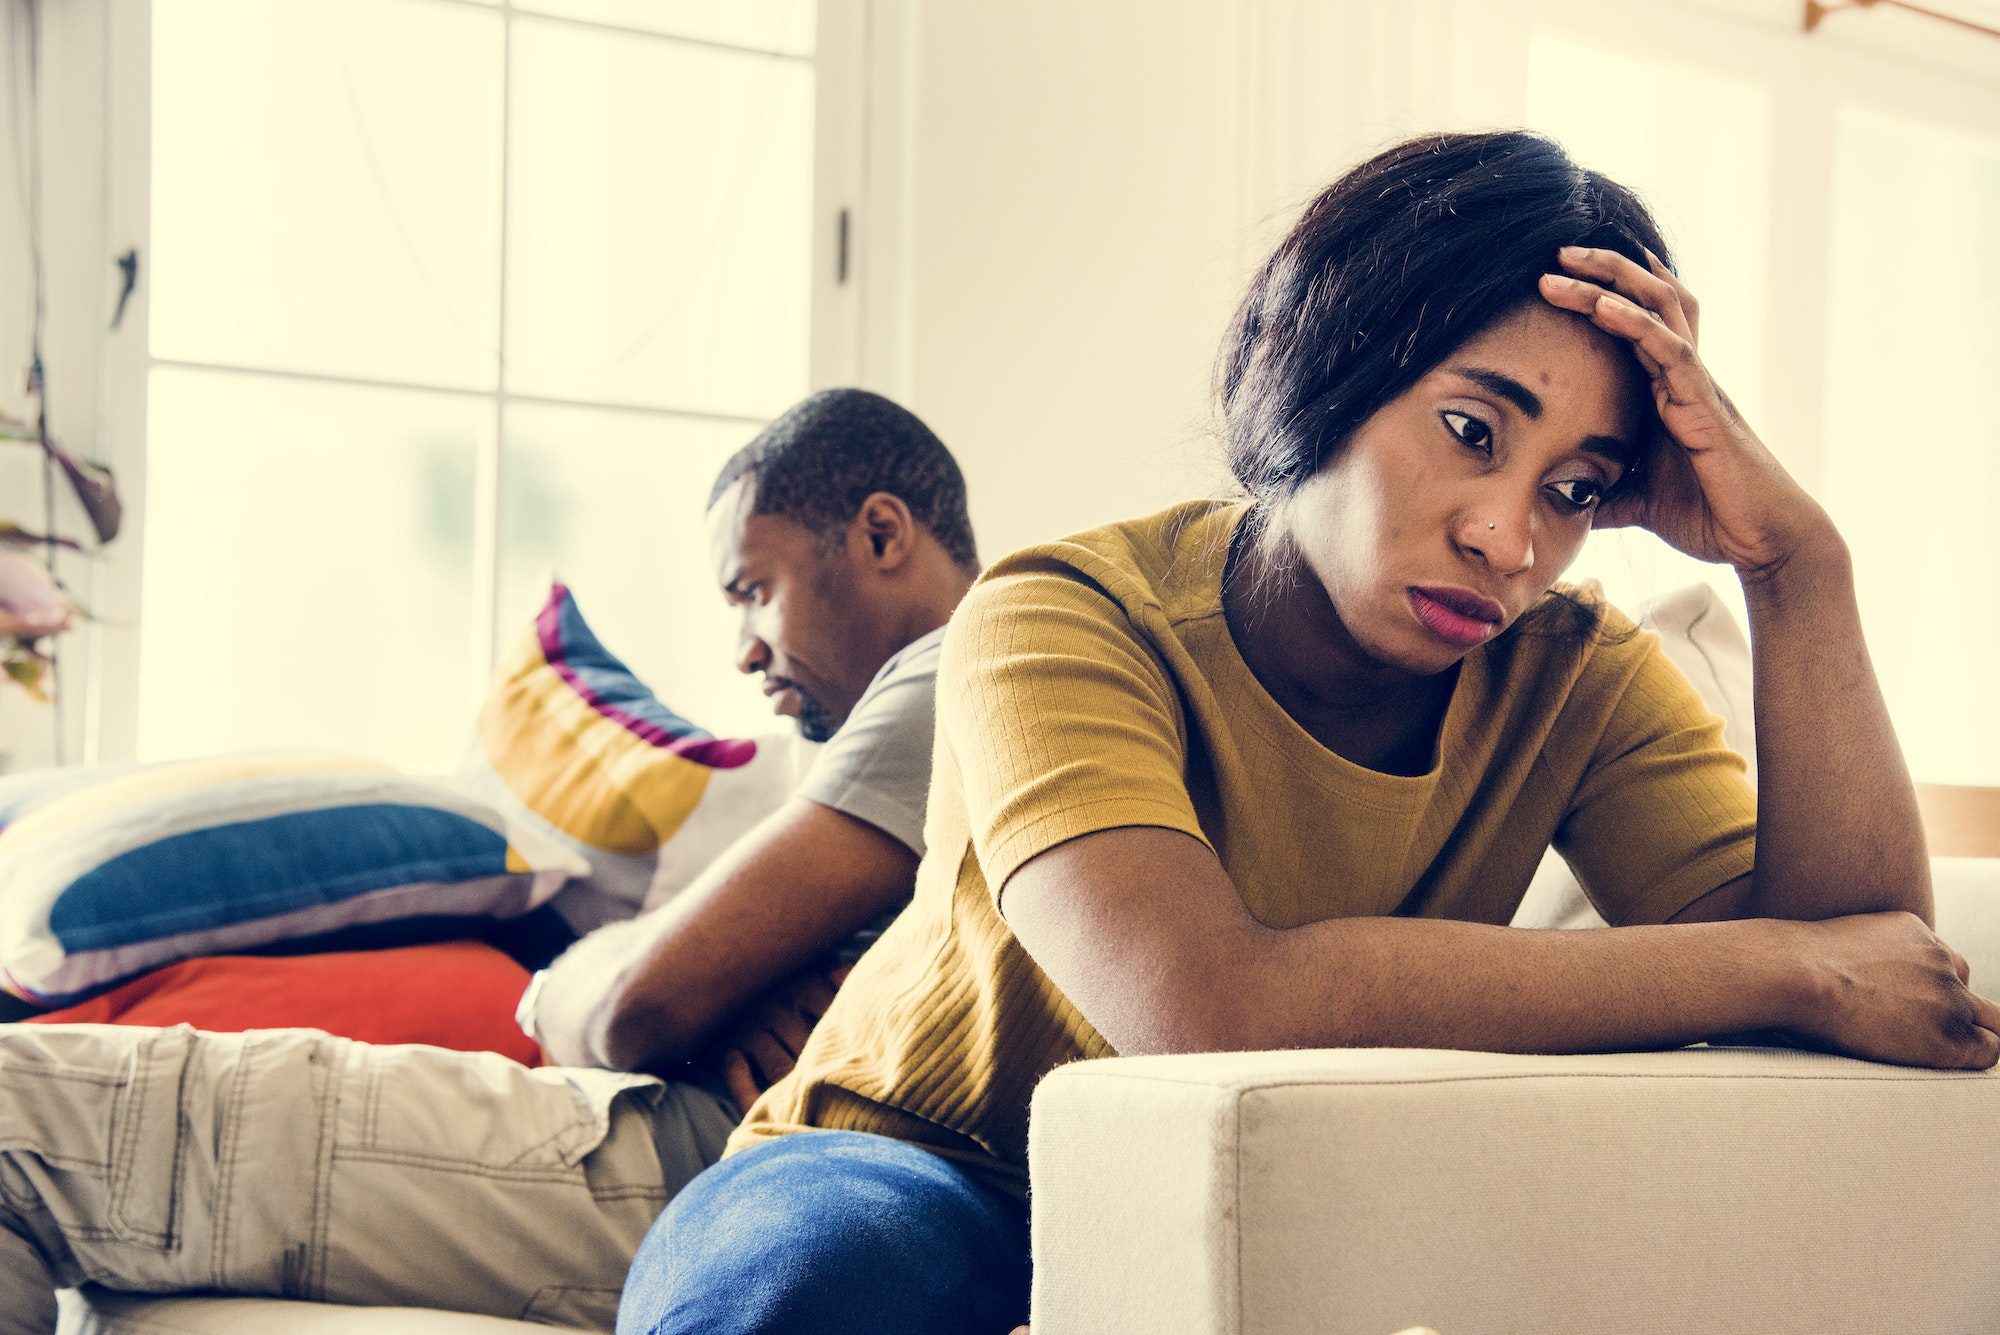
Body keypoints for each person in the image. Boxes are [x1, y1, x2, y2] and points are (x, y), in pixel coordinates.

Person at [616, 131, 2000, 1335]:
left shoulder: (1576, 673)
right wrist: (1777, 968)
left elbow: (1882, 978)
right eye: (1471, 428)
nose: (1512, 538)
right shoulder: (1062, 613)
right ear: (1322, 365)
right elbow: (1201, 1004)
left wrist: (1797, 567)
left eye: (1576, 486)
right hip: (925, 1159)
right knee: (820, 1280)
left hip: (1294, 1193)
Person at [0, 388, 981, 1334]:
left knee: (16, 1112)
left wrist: (646, 991)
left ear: (882, 536)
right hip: (694, 1153)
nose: (742, 650)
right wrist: (700, 989)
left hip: (682, 1167)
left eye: (753, 591)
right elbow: (641, 994)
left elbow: (635, 1006)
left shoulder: (956, 668)